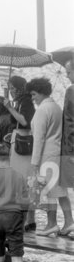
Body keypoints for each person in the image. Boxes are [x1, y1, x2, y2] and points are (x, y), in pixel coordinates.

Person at [26, 78, 74, 236]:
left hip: (47, 155)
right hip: (58, 153)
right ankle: (69, 222)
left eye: (33, 94)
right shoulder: (56, 107)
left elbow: (39, 139)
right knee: (61, 191)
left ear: (41, 92)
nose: (32, 98)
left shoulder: (42, 110)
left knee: (49, 191)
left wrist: (34, 164)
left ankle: (52, 224)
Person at [4, 76, 36, 232]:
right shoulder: (22, 101)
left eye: (12, 88)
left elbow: (24, 121)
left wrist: (9, 108)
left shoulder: (26, 101)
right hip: (18, 142)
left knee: (22, 181)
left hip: (22, 147)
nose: (10, 91)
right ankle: (28, 220)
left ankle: (26, 220)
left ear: (19, 88)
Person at [59, 58, 74, 235]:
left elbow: (70, 122)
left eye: (68, 72)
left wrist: (69, 151)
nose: (67, 76)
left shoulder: (71, 90)